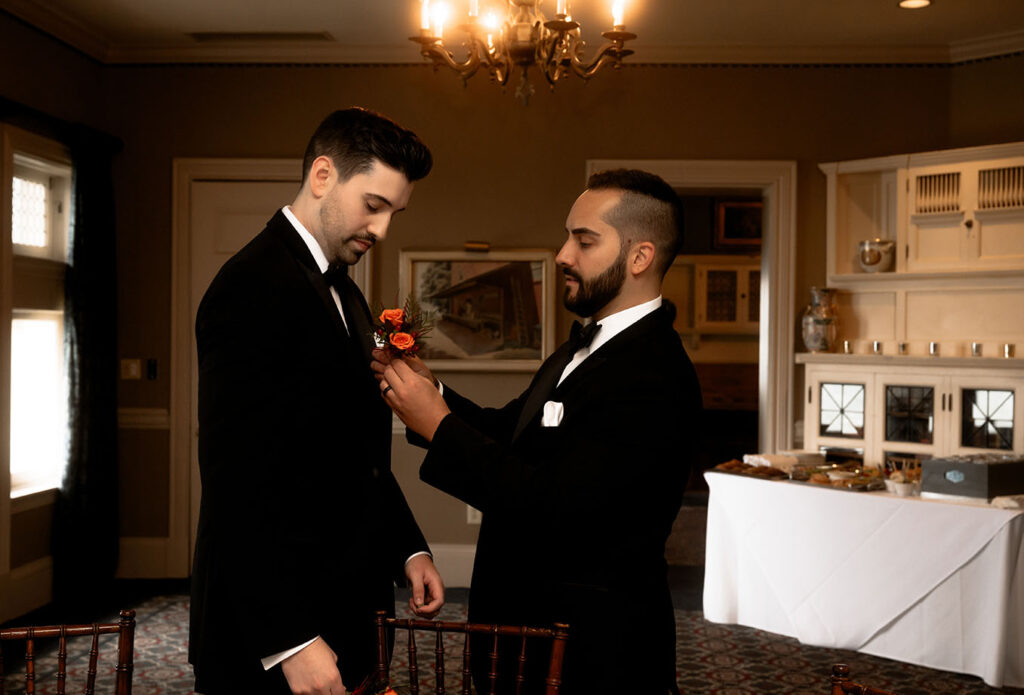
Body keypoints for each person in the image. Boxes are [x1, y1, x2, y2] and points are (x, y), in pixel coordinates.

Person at [374, 169, 702, 695]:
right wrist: (432, 392)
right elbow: (512, 433)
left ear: (639, 257)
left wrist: (438, 425)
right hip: (527, 638)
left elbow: (558, 508)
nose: (562, 255)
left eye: (584, 240)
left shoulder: (656, 375)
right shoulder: (578, 350)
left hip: (591, 652)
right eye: (568, 236)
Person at [190, 107, 445, 695]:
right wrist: (291, 640)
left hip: (343, 604)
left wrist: (406, 547)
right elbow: (236, 481)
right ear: (323, 176)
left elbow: (356, 452)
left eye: (393, 214)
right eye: (374, 206)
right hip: (271, 633)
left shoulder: (347, 293)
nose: (382, 230)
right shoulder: (249, 287)